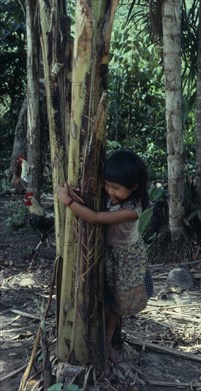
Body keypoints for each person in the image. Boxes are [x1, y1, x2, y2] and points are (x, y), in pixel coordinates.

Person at [57, 149, 153, 363]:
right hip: (109, 255)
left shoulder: (132, 209)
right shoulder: (111, 196)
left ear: (134, 186)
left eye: (116, 188)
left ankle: (107, 343)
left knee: (117, 304)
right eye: (107, 185)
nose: (110, 191)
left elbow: (96, 217)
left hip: (126, 259)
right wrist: (70, 190)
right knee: (106, 295)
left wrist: (67, 201)